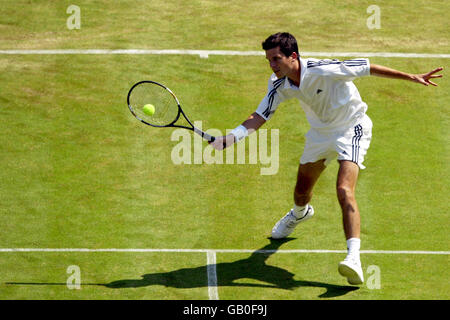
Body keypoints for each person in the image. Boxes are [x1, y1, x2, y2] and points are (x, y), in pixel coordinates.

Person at [210, 32, 443, 285]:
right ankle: (300, 213)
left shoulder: (325, 68)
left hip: (352, 127)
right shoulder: (278, 83)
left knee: (344, 189)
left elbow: (367, 67)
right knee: (301, 192)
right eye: (269, 60)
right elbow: (261, 114)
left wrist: (412, 77)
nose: (272, 65)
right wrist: (232, 137)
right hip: (320, 134)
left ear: (293, 56)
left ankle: (353, 257)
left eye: (276, 59)